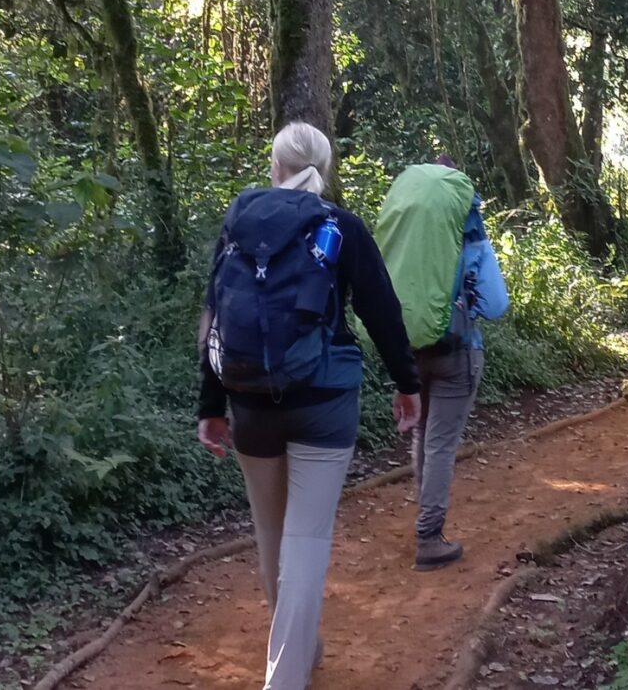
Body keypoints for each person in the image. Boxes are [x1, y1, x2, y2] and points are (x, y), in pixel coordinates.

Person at [197, 122, 421, 690]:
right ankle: (286, 677)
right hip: (325, 398)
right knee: (306, 538)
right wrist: (407, 383)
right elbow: (382, 311)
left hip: (249, 400)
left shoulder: (238, 223)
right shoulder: (339, 226)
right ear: (326, 166)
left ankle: (298, 647)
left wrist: (211, 404)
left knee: (271, 534)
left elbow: (215, 315)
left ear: (275, 166)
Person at [374, 155, 510, 570]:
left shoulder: (403, 243)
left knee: (422, 438)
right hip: (457, 351)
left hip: (411, 353)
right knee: (439, 444)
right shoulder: (468, 241)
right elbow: (496, 303)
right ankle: (429, 537)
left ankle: (425, 520)